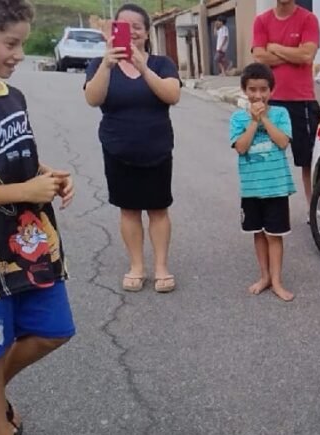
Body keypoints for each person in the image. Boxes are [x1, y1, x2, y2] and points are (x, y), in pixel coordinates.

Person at [0, 1, 76, 435]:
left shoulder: (13, 95)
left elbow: (12, 156)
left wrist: (46, 175)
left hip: (29, 241)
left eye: (22, 43)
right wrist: (26, 191)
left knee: (54, 331)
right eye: (11, 43)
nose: (20, 54)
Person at [84, 3, 182, 294]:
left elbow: (172, 94)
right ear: (113, 31)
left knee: (158, 209)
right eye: (123, 27)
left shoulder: (162, 63)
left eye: (136, 27)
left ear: (146, 32)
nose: (131, 32)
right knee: (128, 210)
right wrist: (106, 64)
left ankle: (161, 266)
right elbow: (93, 98)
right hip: (117, 149)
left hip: (157, 149)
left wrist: (142, 66)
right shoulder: (100, 65)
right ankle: (136, 266)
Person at [230, 63, 296, 302]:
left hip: (276, 187)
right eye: (252, 89)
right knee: (258, 233)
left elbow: (282, 142)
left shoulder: (280, 114)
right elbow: (241, 147)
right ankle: (264, 276)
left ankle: (277, 281)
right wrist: (253, 122)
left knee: (274, 235)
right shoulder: (238, 118)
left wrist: (264, 119)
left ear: (271, 91)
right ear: (244, 90)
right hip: (251, 189)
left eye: (263, 90)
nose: (258, 95)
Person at [252, 0, 320, 211]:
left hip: (303, 101)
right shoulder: (262, 21)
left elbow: (307, 55)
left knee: (310, 159)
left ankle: (314, 209)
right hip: (270, 100)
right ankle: (272, 207)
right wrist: (294, 54)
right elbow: (260, 57)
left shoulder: (308, 19)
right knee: (268, 156)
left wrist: (275, 48)